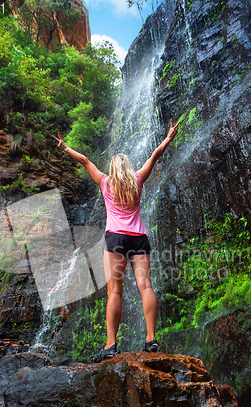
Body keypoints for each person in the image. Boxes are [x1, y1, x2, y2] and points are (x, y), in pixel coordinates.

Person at [52, 118, 181, 362]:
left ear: (111, 168)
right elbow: (155, 155)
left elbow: (85, 161)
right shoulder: (138, 180)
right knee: (145, 287)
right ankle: (151, 339)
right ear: (128, 167)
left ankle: (111, 345)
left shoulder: (105, 182)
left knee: (114, 292)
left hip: (115, 240)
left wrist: (65, 147)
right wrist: (168, 137)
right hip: (139, 238)